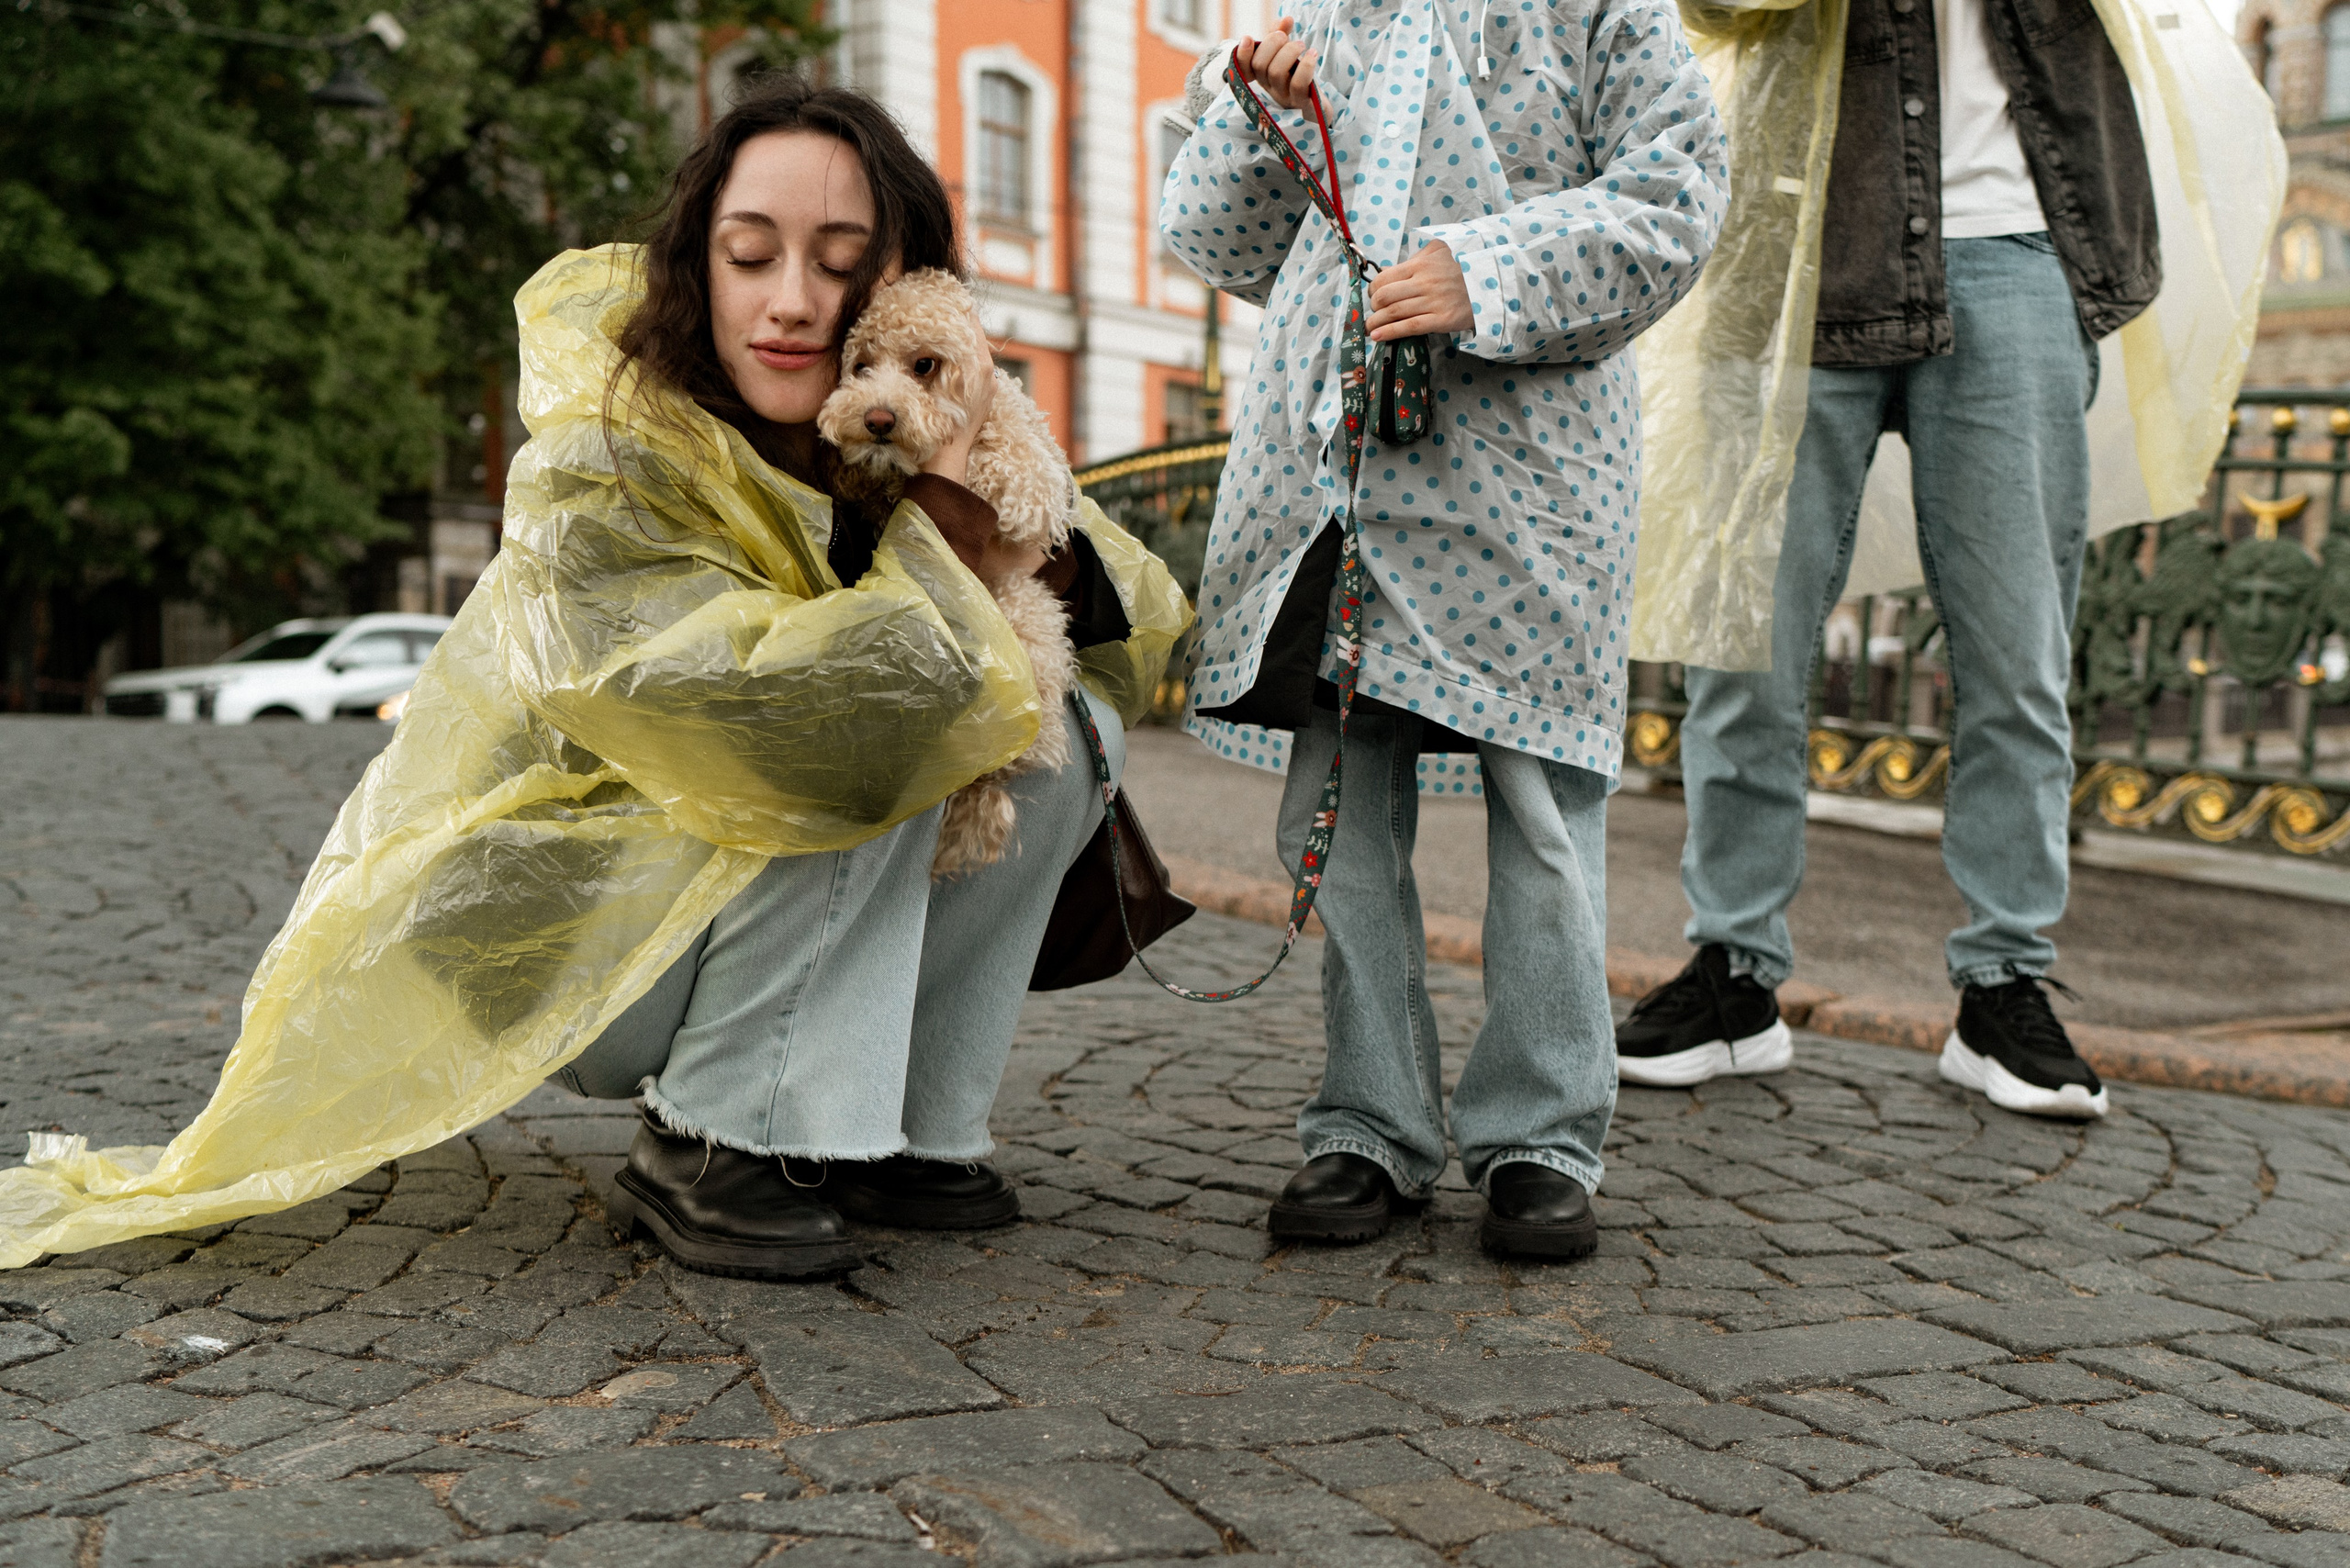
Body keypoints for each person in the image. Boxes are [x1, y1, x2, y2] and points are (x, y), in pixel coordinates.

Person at [0, 80, 1189, 1276]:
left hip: (722, 895)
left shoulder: (930, 420)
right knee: (883, 700)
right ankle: (718, 1135)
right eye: (749, 253)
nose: (787, 300)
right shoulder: (611, 452)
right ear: (701, 265)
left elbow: (1132, 612)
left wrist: (1007, 524)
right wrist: (945, 550)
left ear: (904, 290)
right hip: (580, 933)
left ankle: (898, 1130)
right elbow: (759, 708)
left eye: (837, 261)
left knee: (1068, 726)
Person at [1160, 3, 1726, 1257]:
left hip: (1523, 475)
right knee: (1341, 801)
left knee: (1541, 810)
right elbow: (1214, 236)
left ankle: (1542, 1133)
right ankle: (1368, 1123)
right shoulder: (1323, 10)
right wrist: (1260, 117)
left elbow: (1679, 188)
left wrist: (1493, 268)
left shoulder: (1604, 13)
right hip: (1333, 462)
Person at [1615, 0, 2155, 1119]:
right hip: (1797, 232)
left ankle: (2003, 980)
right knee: (1745, 645)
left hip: (2017, 244)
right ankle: (1735, 973)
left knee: (2019, 652)